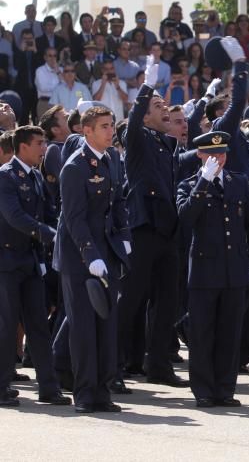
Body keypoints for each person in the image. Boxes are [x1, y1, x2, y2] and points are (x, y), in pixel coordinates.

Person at [176, 131, 249, 408]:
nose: (219, 159)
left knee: (230, 331)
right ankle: (203, 389)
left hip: (235, 268)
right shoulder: (189, 185)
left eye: (222, 154)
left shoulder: (239, 182)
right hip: (204, 270)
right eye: (212, 155)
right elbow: (186, 217)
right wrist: (204, 181)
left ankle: (225, 389)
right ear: (200, 156)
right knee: (202, 333)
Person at [54, 105, 131, 413]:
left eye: (111, 125)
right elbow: (74, 218)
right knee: (84, 326)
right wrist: (90, 255)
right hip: (80, 257)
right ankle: (84, 392)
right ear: (86, 131)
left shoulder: (112, 159)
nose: (111, 131)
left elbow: (119, 202)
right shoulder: (74, 167)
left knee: (106, 324)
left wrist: (124, 237)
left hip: (106, 252)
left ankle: (102, 389)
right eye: (104, 126)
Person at [118, 57, 187, 389]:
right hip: (143, 228)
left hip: (166, 229)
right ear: (145, 116)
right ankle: (112, 366)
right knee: (130, 299)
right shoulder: (139, 139)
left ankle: (158, 365)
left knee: (167, 302)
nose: (164, 110)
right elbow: (131, 121)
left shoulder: (166, 144)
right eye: (157, 106)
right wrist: (146, 85)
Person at [0, 126, 72, 408]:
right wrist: (49, 234)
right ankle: (2, 385)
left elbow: (50, 212)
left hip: (30, 261)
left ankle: (48, 387)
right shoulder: (6, 177)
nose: (44, 148)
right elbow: (14, 217)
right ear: (23, 147)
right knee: (6, 326)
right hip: (6, 261)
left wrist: (59, 232)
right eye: (39, 144)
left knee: (38, 325)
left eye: (44, 143)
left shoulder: (37, 177)